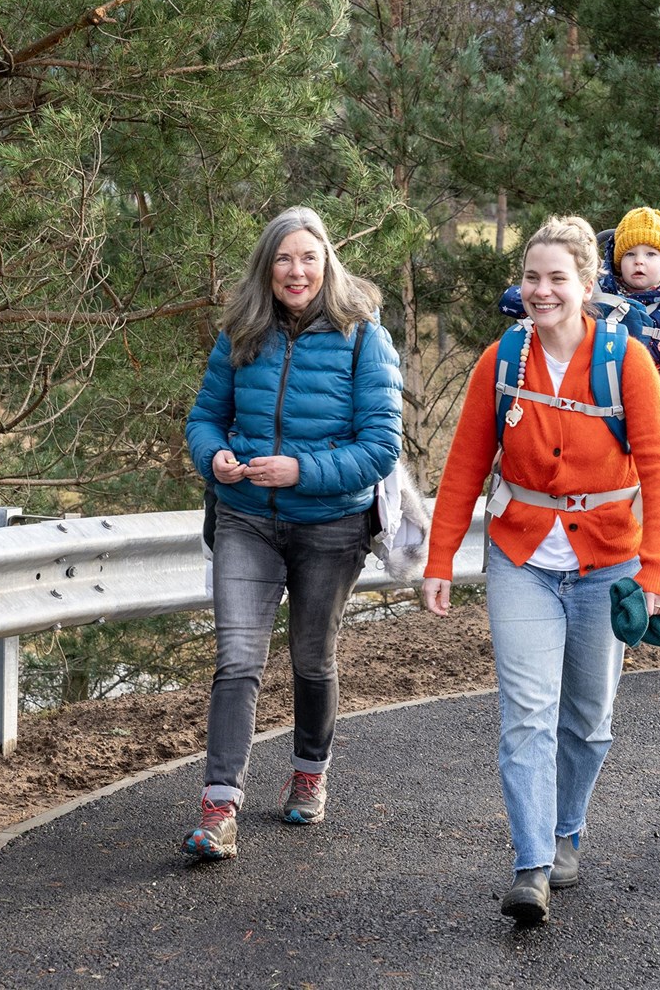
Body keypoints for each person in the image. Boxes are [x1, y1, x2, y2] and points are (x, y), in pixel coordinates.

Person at [422, 215, 660, 924]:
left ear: (586, 285)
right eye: (532, 278)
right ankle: (532, 863)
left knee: (589, 721)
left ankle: (568, 831)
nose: (542, 291)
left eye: (556, 279)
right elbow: (464, 467)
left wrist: (657, 569)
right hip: (522, 557)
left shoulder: (624, 360)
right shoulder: (501, 362)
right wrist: (440, 557)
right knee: (526, 716)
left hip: (608, 559)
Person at [182, 206, 403, 861]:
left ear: (327, 262)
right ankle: (219, 808)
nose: (296, 270)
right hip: (245, 517)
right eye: (284, 258)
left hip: (331, 528)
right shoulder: (240, 333)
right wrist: (213, 456)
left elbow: (381, 447)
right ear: (267, 267)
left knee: (311, 659)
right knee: (237, 662)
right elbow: (203, 419)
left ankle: (310, 769)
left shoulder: (364, 337)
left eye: (309, 257)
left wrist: (302, 470)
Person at [497, 206, 660, 425]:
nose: (639, 261)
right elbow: (548, 300)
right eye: (630, 254)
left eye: (651, 254)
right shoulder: (599, 289)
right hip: (582, 383)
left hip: (636, 390)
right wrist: (523, 297)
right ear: (618, 261)